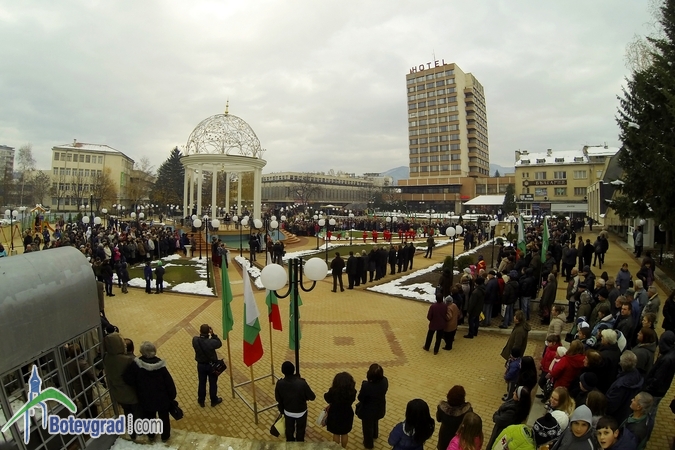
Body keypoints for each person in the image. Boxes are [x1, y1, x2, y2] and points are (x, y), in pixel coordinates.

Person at [122, 341, 176, 442]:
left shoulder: (136, 365)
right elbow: (169, 382)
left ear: (142, 352)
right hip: (162, 398)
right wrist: (172, 395)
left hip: (145, 397)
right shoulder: (161, 366)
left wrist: (137, 385)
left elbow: (128, 379)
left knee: (149, 417)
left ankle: (151, 435)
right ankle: (165, 436)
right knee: (164, 418)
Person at [103, 332, 140, 439]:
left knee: (127, 412)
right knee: (136, 412)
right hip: (131, 393)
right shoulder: (128, 360)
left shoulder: (107, 358)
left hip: (118, 392)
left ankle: (131, 432)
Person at [275, 361, 316, 442]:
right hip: (301, 412)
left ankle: (290, 443)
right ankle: (300, 443)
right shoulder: (302, 383)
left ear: (282, 371)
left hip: (288, 412)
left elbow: (278, 398)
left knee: (289, 430)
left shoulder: (280, 383)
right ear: (293, 370)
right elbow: (312, 397)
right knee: (301, 430)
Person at [356, 364, 388, 449]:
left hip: (368, 411)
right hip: (379, 408)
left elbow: (360, 398)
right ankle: (375, 434)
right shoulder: (385, 381)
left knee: (367, 428)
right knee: (375, 421)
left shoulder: (366, 386)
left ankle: (368, 444)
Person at [192, 324, 223, 407]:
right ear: (208, 331)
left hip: (201, 365)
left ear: (200, 331)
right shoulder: (211, 342)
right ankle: (213, 400)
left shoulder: (195, 340)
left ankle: (201, 401)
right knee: (213, 383)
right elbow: (219, 343)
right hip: (211, 366)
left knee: (202, 383)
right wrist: (213, 334)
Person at [324, 372, 357, 448]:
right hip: (347, 413)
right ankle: (343, 448)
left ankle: (336, 448)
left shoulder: (333, 391)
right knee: (345, 433)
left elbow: (327, 398)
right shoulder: (352, 391)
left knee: (336, 433)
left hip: (335, 414)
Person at [436, 385, 473, 450]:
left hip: (444, 436)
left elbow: (438, 419)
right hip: (459, 439)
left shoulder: (441, 408)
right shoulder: (467, 411)